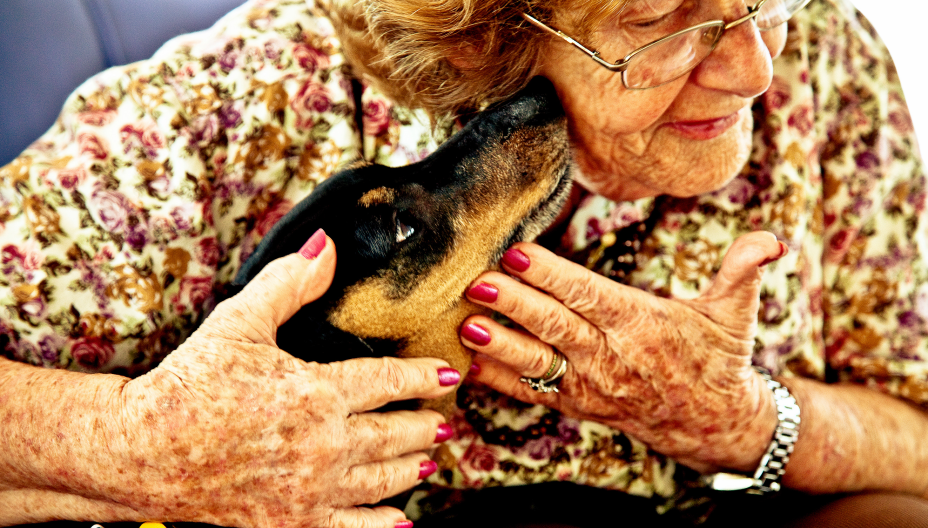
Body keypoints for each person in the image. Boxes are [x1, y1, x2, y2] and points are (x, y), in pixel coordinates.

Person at [1, 0, 927, 526]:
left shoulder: (826, 63)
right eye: (662, 19)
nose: (757, 69)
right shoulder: (239, 109)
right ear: (493, 24)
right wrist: (134, 443)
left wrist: (747, 422)